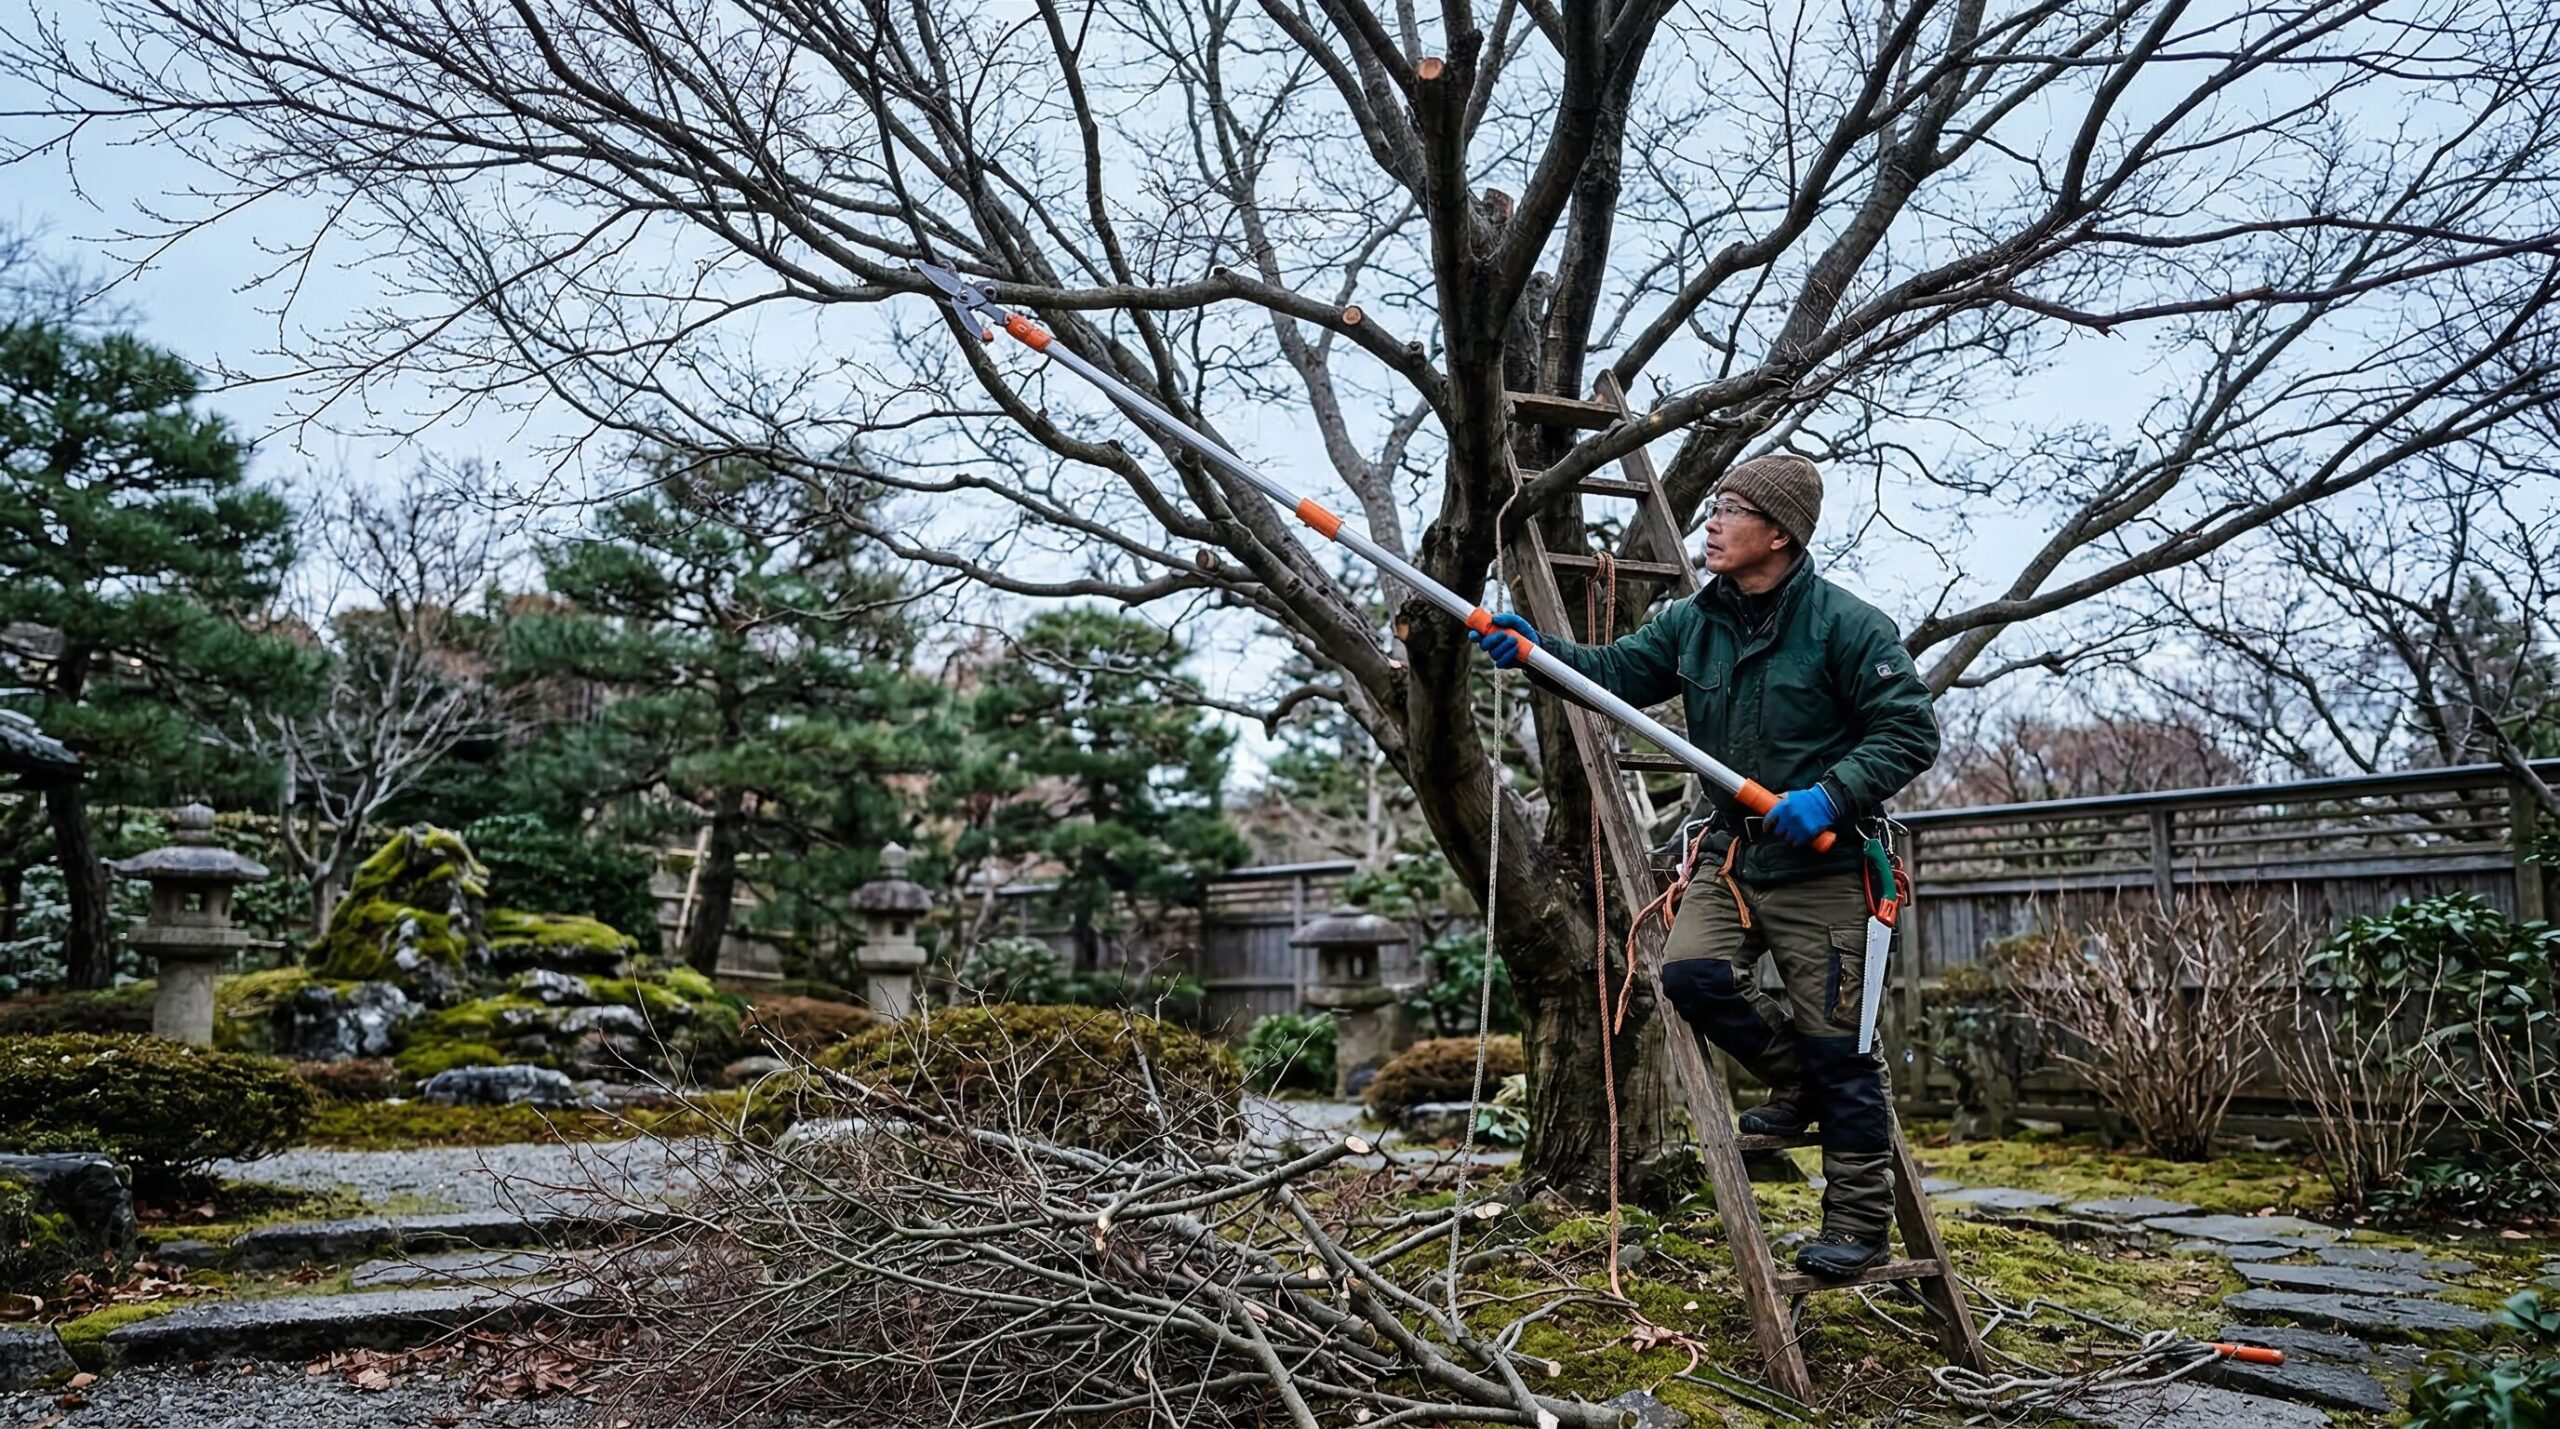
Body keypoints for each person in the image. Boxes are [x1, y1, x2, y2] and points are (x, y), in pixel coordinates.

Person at [1468, 453, 1939, 1278]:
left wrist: (1828, 796)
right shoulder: (1695, 621)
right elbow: (1618, 673)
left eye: (1729, 509)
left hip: (1827, 862)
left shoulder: (1847, 625)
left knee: (1846, 1047)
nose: (1711, 523)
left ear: (1781, 533)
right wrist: (1541, 653)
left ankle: (1858, 1226)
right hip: (1734, 853)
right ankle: (1802, 1081)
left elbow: (1910, 733)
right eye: (1713, 505)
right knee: (1690, 972)